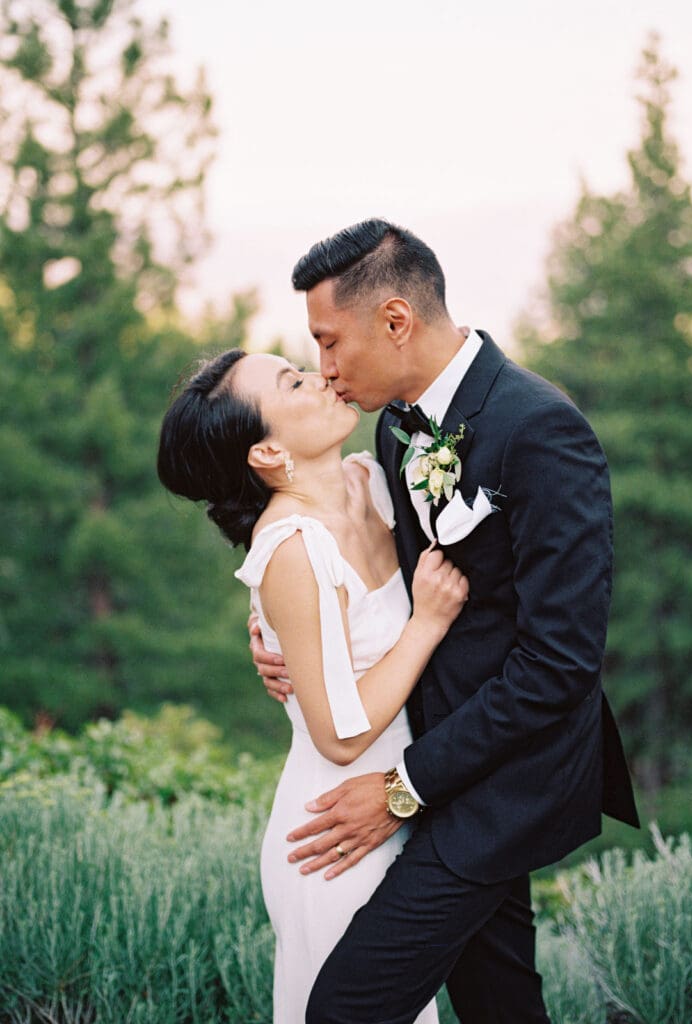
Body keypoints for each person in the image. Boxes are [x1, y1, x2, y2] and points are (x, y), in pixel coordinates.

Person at [250, 218, 640, 1024]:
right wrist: (279, 628)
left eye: (328, 343)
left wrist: (402, 789)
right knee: (499, 1002)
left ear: (396, 321)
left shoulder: (542, 431)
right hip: (435, 755)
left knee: (348, 1008)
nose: (323, 371)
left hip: (503, 784)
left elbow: (559, 664)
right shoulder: (398, 426)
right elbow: (345, 552)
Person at [156, 347, 469, 1023]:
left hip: (406, 813)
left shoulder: (372, 478)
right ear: (266, 455)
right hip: (336, 843)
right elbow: (339, 734)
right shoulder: (293, 548)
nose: (321, 376)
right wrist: (428, 623)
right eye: (293, 382)